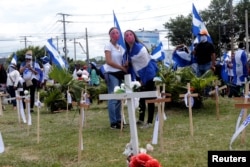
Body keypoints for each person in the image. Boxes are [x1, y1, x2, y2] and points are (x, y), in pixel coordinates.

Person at [124, 29, 158, 128]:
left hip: (148, 74)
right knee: (141, 99)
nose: (129, 36)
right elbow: (134, 64)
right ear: (125, 39)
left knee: (150, 98)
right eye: (126, 35)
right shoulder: (129, 51)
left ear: (134, 36)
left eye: (130, 34)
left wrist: (143, 79)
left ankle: (150, 121)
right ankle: (141, 119)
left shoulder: (141, 48)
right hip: (138, 77)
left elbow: (145, 63)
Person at [104, 27, 127, 129]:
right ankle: (113, 122)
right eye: (113, 33)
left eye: (117, 33)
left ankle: (118, 120)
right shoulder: (108, 45)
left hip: (119, 74)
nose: (115, 34)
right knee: (113, 97)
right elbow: (109, 61)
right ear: (110, 35)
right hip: (111, 73)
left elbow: (124, 59)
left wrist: (125, 65)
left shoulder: (120, 47)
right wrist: (121, 67)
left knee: (119, 97)